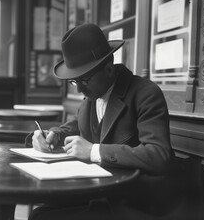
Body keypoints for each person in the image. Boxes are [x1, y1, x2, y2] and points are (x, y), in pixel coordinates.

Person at [29, 23, 181, 220]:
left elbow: (159, 156)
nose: (79, 89)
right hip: (98, 194)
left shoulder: (145, 93)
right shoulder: (91, 98)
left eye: (85, 79)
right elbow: (80, 123)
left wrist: (93, 151)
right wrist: (55, 135)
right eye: (75, 81)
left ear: (109, 69)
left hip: (132, 203)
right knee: (39, 214)